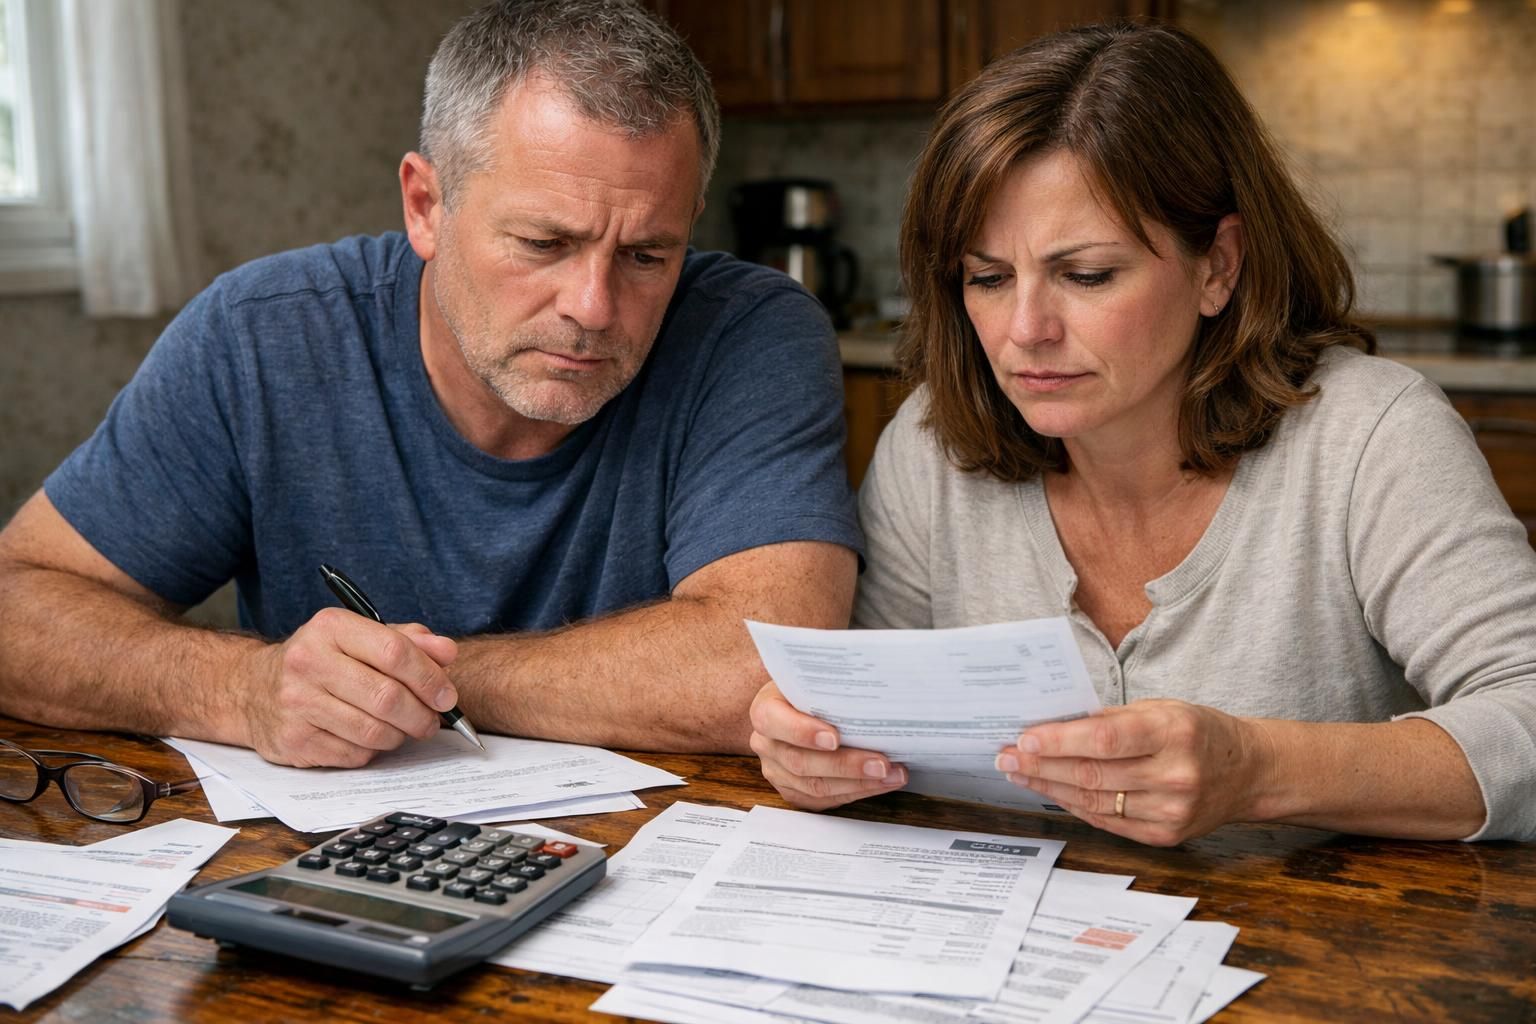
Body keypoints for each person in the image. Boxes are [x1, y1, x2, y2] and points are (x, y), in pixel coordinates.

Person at [0, 0, 861, 768]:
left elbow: (772, 660)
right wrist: (242, 687)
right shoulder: (262, 333)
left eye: (646, 255)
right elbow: (16, 613)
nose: (594, 307)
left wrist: (419, 680)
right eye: (542, 243)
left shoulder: (750, 332)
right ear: (425, 206)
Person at [749, 21, 1536, 844]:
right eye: (986, 278)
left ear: (1218, 266)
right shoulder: (932, 444)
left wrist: (1258, 769)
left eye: (1086, 275)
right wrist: (812, 742)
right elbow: (863, 712)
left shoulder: (1370, 437)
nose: (1024, 331)